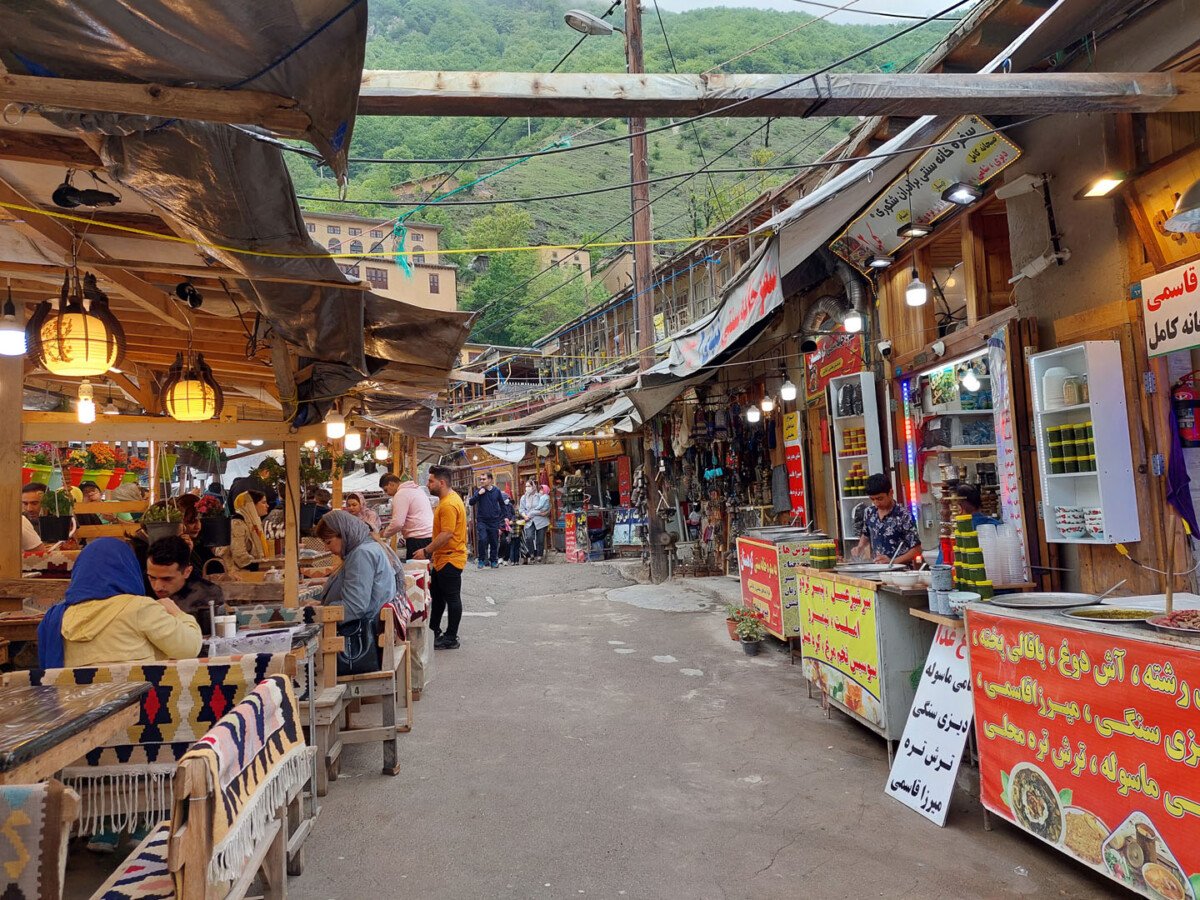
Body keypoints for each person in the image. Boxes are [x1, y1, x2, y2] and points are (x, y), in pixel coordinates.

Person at [37, 538, 202, 669]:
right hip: (138, 705)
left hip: (78, 707)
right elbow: (189, 648)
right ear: (128, 567)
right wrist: (178, 614)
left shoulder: (59, 618)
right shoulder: (139, 608)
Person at [316, 511, 402, 674]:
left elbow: (354, 606)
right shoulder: (367, 547)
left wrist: (319, 613)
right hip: (366, 629)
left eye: (328, 542)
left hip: (358, 638)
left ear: (344, 534)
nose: (327, 548)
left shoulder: (361, 554)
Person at [413, 466, 465, 650]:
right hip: (444, 558)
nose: (428, 484)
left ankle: (451, 637)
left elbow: (447, 534)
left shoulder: (449, 504)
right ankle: (434, 630)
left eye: (431, 481)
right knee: (438, 596)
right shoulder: (448, 500)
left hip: (451, 558)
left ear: (441, 483)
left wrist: (426, 551)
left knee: (451, 598)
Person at [146, 535, 223, 635]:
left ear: (187, 571)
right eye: (152, 577)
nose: (157, 587)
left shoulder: (208, 595)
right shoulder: (139, 591)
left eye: (167, 579)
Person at [853, 473, 922, 566]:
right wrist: (859, 547)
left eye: (880, 498)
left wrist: (892, 562)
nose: (876, 503)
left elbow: (917, 550)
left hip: (900, 573)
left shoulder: (903, 516)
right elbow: (866, 534)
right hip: (877, 569)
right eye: (872, 499)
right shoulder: (869, 512)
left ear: (891, 493)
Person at [379, 472, 434, 559]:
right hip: (429, 536)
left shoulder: (401, 494)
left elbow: (398, 523)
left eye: (386, 490)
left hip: (418, 538)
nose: (387, 493)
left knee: (416, 569)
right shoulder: (417, 489)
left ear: (391, 484)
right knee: (425, 569)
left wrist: (383, 534)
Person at [467, 472, 504, 569]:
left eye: (484, 479)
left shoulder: (497, 491)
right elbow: (471, 502)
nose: (482, 481)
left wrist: (505, 518)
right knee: (482, 539)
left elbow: (502, 504)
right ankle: (481, 560)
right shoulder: (479, 491)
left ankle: (493, 561)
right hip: (482, 520)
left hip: (494, 521)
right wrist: (478, 495)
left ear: (490, 480)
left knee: (494, 541)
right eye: (481, 479)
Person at [229, 490, 271, 571]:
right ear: (251, 505)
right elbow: (239, 555)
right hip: (241, 573)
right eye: (263, 502)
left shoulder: (255, 522)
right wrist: (260, 566)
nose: (267, 505)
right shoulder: (237, 523)